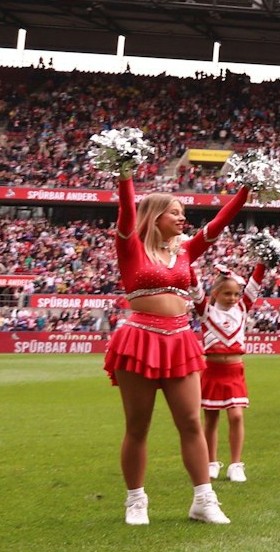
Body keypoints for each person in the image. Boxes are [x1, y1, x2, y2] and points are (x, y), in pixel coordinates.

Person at [103, 167, 251, 526]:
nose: (182, 217)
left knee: (190, 422)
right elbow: (125, 210)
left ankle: (203, 499)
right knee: (138, 426)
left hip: (181, 337)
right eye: (174, 212)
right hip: (139, 338)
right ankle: (136, 501)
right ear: (154, 216)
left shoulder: (185, 251)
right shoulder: (130, 246)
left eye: (183, 213)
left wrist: (248, 188)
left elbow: (219, 223)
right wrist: (124, 172)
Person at [197, 265, 259, 483]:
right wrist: (186, 261)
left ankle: (236, 464)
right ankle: (211, 462)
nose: (233, 298)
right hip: (212, 370)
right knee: (211, 419)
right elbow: (195, 289)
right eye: (227, 294)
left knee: (236, 415)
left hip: (234, 370)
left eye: (236, 294)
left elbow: (254, 286)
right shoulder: (206, 311)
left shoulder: (241, 309)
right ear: (215, 294)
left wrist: (263, 261)